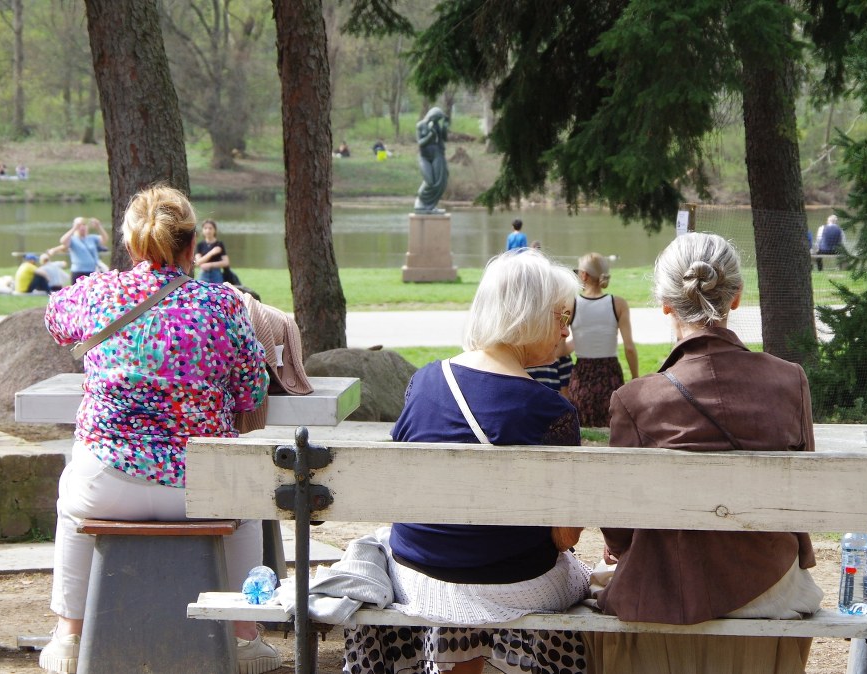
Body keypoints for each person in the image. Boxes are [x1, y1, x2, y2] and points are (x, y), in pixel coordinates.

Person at [39, 185, 278, 674]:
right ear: (192, 246)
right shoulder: (224, 307)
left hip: (107, 481)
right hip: (198, 487)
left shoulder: (98, 293)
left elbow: (54, 318)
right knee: (246, 510)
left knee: (71, 504)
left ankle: (69, 635)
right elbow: (253, 392)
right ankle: (245, 636)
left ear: (130, 246)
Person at [343, 249, 591, 674]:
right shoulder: (552, 412)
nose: (566, 333)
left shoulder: (424, 381)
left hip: (420, 575)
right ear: (527, 315)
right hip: (516, 586)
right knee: (576, 573)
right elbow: (565, 538)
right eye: (561, 318)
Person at [589, 232, 822, 674]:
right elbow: (802, 502)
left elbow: (618, 535)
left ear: (665, 304)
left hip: (668, 591)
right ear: (736, 298)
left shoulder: (636, 399)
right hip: (770, 585)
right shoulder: (790, 380)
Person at [569, 252, 637, 427]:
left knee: (583, 427)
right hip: (610, 374)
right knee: (612, 427)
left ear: (584, 275)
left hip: (583, 375)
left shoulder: (571, 304)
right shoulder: (618, 304)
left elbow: (557, 347)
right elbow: (629, 348)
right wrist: (636, 378)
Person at [414, 107, 449, 213]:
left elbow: (444, 138)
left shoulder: (436, 125)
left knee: (439, 181)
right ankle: (421, 201)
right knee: (430, 181)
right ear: (431, 116)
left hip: (437, 155)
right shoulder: (420, 125)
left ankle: (431, 207)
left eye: (438, 119)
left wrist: (445, 126)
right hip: (424, 157)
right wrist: (430, 135)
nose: (436, 121)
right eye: (436, 118)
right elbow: (420, 143)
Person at [60, 216, 109, 283]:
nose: (82, 227)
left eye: (84, 225)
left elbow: (105, 239)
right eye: (80, 226)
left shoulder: (92, 238)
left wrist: (98, 227)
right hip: (78, 271)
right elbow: (63, 241)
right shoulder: (72, 239)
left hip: (92, 270)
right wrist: (74, 228)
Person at [193, 219, 229, 284]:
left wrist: (210, 265)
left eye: (210, 228)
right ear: (202, 230)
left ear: (214, 230)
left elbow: (226, 262)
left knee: (218, 292)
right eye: (205, 228)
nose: (208, 230)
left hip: (216, 273)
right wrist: (212, 253)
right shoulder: (200, 245)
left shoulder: (219, 244)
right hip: (203, 273)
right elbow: (197, 262)